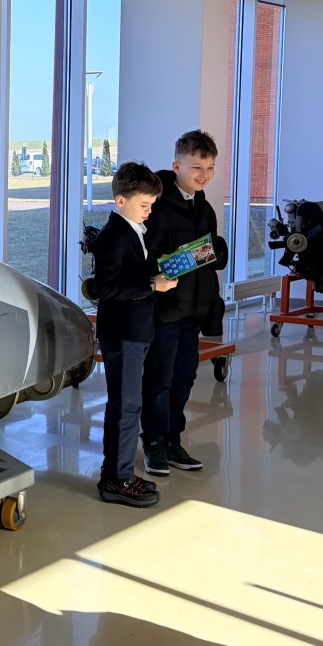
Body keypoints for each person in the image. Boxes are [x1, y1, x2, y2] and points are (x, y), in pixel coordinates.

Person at [142, 130, 229, 478]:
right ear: (177, 166)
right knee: (159, 379)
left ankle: (173, 440)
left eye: (210, 168)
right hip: (164, 311)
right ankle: (154, 443)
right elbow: (149, 258)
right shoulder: (157, 205)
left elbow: (207, 258)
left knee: (184, 377)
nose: (204, 175)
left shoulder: (204, 208)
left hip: (193, 311)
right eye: (197, 167)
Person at [89, 161, 176, 507]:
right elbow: (106, 288)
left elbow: (132, 274)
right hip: (123, 333)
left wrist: (158, 269)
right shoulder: (112, 237)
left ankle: (117, 472)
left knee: (127, 405)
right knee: (126, 407)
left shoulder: (132, 230)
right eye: (144, 204)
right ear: (121, 200)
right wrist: (152, 284)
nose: (149, 211)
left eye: (152, 205)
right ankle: (117, 479)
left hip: (136, 330)